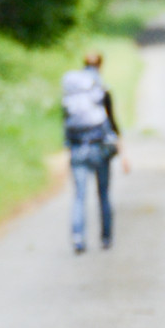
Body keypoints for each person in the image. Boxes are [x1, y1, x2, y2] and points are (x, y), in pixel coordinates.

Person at [62, 51, 128, 254]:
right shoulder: (101, 88)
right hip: (99, 146)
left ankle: (78, 238)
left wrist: (67, 148)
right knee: (103, 194)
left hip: (78, 147)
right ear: (101, 65)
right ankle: (106, 237)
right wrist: (122, 150)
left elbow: (65, 121)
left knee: (79, 196)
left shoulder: (72, 89)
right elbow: (112, 122)